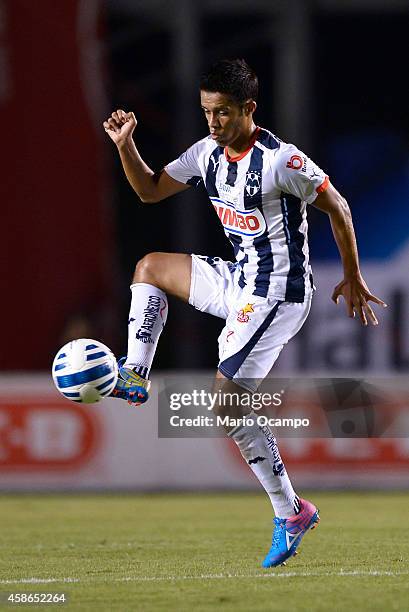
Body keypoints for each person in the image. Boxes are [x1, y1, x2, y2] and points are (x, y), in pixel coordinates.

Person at [103, 59, 386, 568]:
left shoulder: (282, 161)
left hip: (279, 291)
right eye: (207, 112)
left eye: (224, 113)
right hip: (238, 278)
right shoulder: (205, 153)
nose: (213, 123)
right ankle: (135, 373)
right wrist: (126, 146)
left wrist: (352, 274)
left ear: (249, 109)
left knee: (224, 403)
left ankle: (290, 511)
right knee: (149, 267)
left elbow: (338, 207)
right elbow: (148, 190)